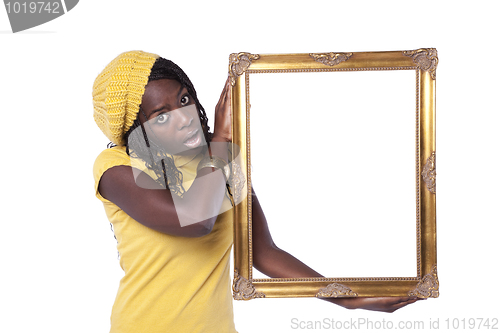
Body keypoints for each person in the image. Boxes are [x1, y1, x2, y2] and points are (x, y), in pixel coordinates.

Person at [93, 50, 420, 333]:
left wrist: (351, 299)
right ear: (136, 128)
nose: (184, 118)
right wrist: (220, 138)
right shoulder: (116, 167)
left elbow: (262, 252)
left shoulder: (218, 162)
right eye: (161, 115)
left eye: (184, 99)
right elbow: (195, 219)